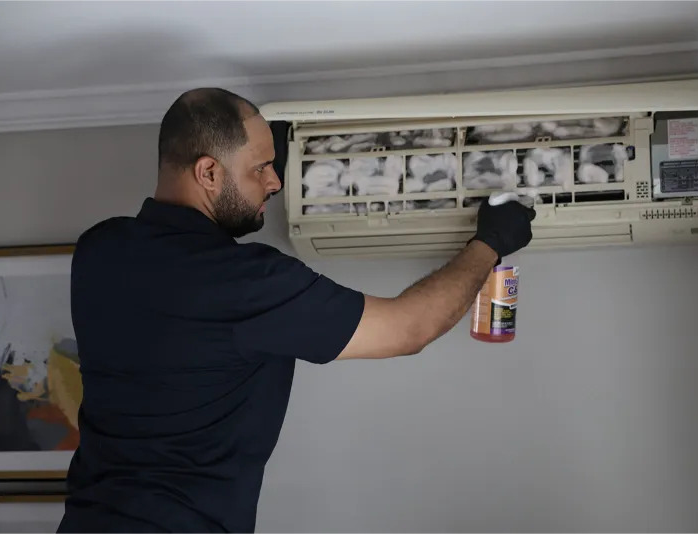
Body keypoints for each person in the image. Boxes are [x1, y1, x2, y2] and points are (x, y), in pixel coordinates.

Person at [57, 88, 534, 533]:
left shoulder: (99, 251)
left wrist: (255, 172)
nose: (274, 181)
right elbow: (410, 328)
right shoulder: (245, 283)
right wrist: (491, 241)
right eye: (261, 168)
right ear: (208, 173)